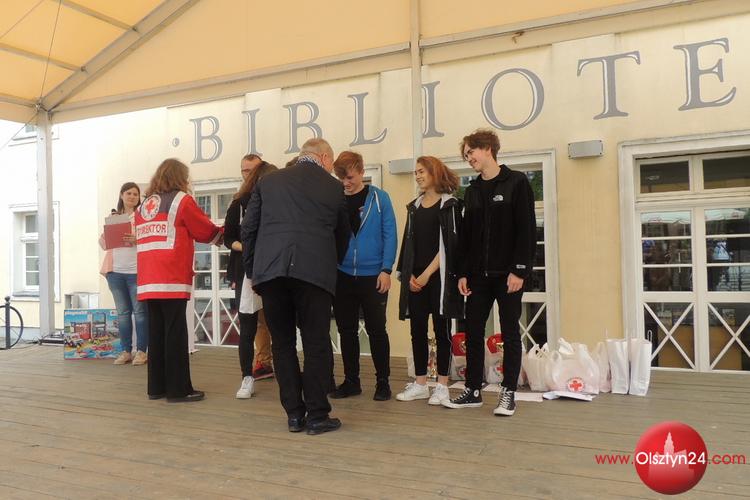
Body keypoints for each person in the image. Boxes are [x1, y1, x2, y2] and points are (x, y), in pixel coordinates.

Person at [241, 138, 349, 435]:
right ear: (324, 158)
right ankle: (317, 415)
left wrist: (254, 272)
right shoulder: (333, 187)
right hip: (314, 273)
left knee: (282, 344)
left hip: (271, 274)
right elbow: (343, 234)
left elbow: (248, 229)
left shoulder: (268, 182)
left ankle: (294, 415)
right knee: (316, 343)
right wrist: (331, 264)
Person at [443, 129, 535, 416]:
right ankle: (473, 390)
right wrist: (462, 273)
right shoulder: (472, 191)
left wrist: (519, 270)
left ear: (487, 149)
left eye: (471, 152)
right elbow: (466, 238)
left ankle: (508, 392)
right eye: (466, 155)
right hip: (478, 277)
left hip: (508, 276)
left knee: (510, 332)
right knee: (472, 331)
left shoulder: (517, 182)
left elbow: (526, 230)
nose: (468, 158)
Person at [135, 158, 224, 403]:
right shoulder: (181, 200)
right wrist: (225, 234)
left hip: (148, 277)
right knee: (175, 333)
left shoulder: (144, 206)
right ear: (179, 177)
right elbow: (203, 229)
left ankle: (156, 387)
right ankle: (178, 389)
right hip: (171, 275)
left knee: (156, 333)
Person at [329, 151, 397, 401]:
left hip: (374, 275)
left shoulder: (380, 198)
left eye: (349, 177)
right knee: (346, 330)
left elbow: (390, 234)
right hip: (342, 275)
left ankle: (383, 382)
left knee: (377, 329)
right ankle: (351, 381)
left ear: (361, 171)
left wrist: (386, 269)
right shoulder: (335, 200)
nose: (345, 183)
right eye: (341, 178)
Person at [395, 156, 463, 405]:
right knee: (417, 330)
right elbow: (408, 243)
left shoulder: (450, 205)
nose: (418, 176)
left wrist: (426, 275)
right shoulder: (414, 207)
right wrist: (408, 274)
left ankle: (442, 386)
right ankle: (421, 384)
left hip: (439, 279)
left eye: (422, 171)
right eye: (415, 172)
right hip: (415, 279)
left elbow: (450, 245)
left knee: (442, 331)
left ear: (434, 172)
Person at [225, 156, 278, 399]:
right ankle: (247, 376)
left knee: (277, 323)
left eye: (251, 170)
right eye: (244, 170)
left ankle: (278, 368)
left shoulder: (279, 202)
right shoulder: (238, 203)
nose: (247, 174)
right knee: (248, 326)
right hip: (247, 271)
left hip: (274, 269)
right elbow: (229, 238)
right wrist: (247, 247)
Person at [100, 182, 149, 366]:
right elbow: (104, 245)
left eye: (135, 194)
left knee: (140, 313)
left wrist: (138, 239)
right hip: (115, 272)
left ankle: (142, 352)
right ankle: (126, 351)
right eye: (129, 193)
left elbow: (151, 240)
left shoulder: (144, 217)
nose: (132, 197)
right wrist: (107, 232)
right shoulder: (115, 217)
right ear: (121, 195)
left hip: (136, 271)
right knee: (122, 314)